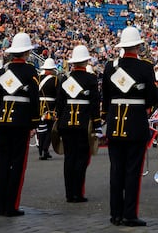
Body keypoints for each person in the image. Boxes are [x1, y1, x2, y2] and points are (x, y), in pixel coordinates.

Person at [102, 26, 158, 227]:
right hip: (135, 124)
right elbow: (153, 97)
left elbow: (106, 98)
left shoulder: (110, 67)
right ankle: (129, 214)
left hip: (115, 123)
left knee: (116, 170)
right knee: (133, 172)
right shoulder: (145, 67)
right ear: (137, 46)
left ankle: (115, 214)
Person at [0, 32, 40, 217]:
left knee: (2, 163)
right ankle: (11, 205)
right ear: (27, 52)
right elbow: (34, 100)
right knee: (17, 164)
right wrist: (34, 122)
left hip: (3, 120)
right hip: (21, 122)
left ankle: (0, 205)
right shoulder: (30, 71)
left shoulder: (3, 71)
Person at [55, 44, 101, 203]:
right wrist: (97, 124)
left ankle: (69, 193)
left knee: (69, 158)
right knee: (81, 159)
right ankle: (78, 192)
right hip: (83, 123)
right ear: (86, 61)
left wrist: (59, 123)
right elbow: (94, 104)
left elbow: (59, 104)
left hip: (66, 123)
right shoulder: (91, 78)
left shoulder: (65, 78)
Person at [37, 57, 60, 160]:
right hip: (50, 107)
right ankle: (45, 149)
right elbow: (58, 96)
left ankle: (41, 149)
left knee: (41, 129)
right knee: (50, 130)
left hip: (39, 106)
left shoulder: (37, 78)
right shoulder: (55, 80)